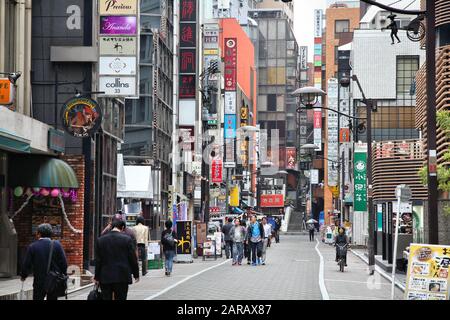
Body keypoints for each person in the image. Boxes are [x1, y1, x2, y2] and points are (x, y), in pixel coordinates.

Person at [94, 219, 139, 300]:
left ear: (111, 227)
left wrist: (96, 277)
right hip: (122, 276)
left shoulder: (100, 240)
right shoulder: (127, 240)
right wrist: (136, 274)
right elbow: (132, 258)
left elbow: (98, 260)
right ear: (122, 227)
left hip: (105, 276)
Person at [20, 223, 68, 300]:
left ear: (39, 234)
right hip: (54, 280)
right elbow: (64, 263)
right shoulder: (57, 245)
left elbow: (27, 264)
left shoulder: (33, 246)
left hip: (39, 281)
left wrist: (23, 275)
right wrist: (63, 273)